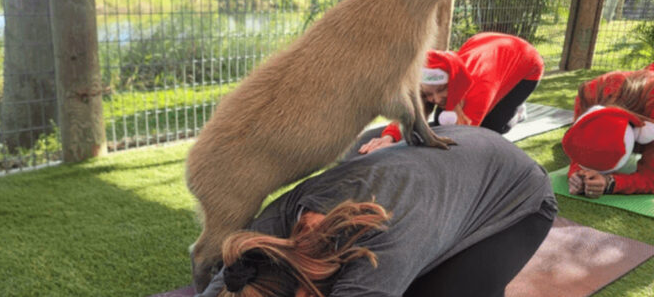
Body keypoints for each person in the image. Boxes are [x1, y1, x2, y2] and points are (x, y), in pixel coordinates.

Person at [195, 126, 557, 297]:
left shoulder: (380, 251)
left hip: (515, 195)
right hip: (443, 166)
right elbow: (227, 283)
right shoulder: (268, 234)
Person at [360, 32, 544, 155]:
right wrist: (388, 137)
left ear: (454, 82)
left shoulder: (479, 89)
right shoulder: (435, 80)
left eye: (441, 90)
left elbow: (461, 140)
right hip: (480, 43)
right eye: (428, 94)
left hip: (525, 62)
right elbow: (410, 109)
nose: (437, 99)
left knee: (492, 130)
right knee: (444, 119)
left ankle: (517, 113)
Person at [562, 64, 654, 197]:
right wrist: (579, 175)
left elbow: (651, 177)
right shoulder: (589, 95)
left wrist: (610, 182)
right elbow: (579, 148)